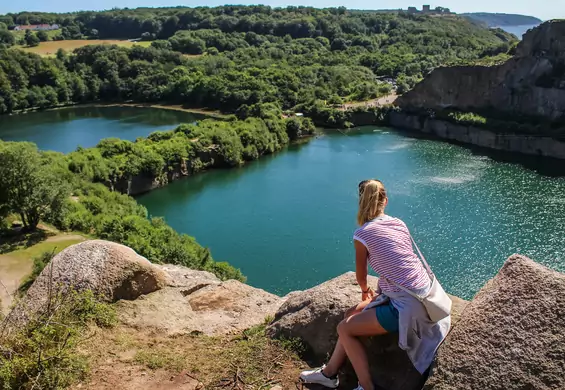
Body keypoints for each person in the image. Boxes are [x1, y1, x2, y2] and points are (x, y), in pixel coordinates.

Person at [299, 179, 451, 390]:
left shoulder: (362, 234)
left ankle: (366, 386)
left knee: (345, 328)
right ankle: (329, 373)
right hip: (424, 296)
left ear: (361, 202)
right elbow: (400, 263)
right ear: (385, 200)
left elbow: (362, 278)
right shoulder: (398, 223)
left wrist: (365, 291)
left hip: (407, 307)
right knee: (350, 315)